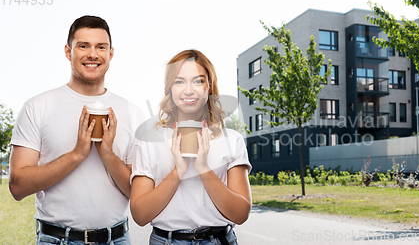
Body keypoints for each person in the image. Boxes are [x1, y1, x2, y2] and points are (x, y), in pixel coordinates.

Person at [9, 15, 143, 245]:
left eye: (101, 47)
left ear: (110, 54)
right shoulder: (38, 107)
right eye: (83, 46)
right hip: (57, 239)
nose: (93, 54)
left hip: (117, 239)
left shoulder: (132, 112)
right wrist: (77, 154)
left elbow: (138, 194)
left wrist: (107, 154)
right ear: (68, 51)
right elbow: (18, 186)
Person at [130, 49, 251, 245]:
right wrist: (179, 170)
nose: (188, 90)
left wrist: (203, 168)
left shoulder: (232, 140)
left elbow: (240, 214)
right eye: (179, 81)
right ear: (169, 88)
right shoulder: (149, 139)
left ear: (209, 86)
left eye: (198, 81)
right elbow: (140, 215)